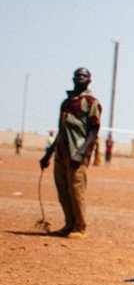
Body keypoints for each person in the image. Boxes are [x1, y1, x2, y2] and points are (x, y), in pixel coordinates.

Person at [39, 68, 101, 238]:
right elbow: (61, 130)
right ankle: (69, 224)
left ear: (89, 80)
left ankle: (80, 226)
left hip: (77, 153)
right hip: (62, 152)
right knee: (63, 189)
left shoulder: (91, 102)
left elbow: (93, 130)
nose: (80, 78)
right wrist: (48, 154)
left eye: (84, 76)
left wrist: (81, 153)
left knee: (76, 190)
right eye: (77, 75)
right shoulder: (66, 103)